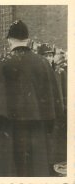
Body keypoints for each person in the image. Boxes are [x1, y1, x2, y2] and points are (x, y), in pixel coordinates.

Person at [0, 20, 63, 177]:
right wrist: (49, 128)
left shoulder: (0, 64)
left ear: (9, 40)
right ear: (28, 40)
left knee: (10, 173)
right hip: (37, 130)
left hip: (8, 131)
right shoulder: (43, 63)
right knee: (36, 172)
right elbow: (55, 100)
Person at [38, 43, 67, 174]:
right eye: (45, 56)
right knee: (43, 141)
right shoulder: (37, 73)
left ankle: (52, 167)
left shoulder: (59, 72)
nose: (49, 58)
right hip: (42, 113)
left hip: (57, 113)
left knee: (55, 141)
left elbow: (65, 93)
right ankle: (43, 167)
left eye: (50, 55)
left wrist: (65, 108)